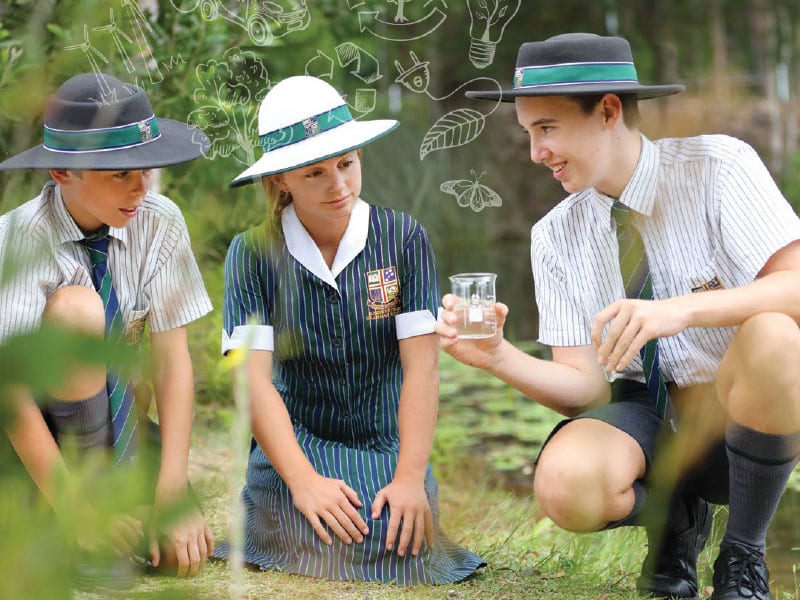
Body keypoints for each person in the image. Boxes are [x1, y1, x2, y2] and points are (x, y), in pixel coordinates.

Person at [437, 32, 800, 600]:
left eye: (547, 129)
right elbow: (584, 388)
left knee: (777, 335)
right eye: (529, 133)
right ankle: (677, 524)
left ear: (608, 110)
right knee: (565, 485)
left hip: (736, 415)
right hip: (645, 420)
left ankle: (743, 556)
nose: (536, 153)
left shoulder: (719, 168)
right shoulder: (554, 235)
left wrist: (681, 310)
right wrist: (498, 357)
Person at [212, 75, 484, 584]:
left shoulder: (403, 238)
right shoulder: (249, 253)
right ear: (280, 181)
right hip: (296, 445)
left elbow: (422, 365)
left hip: (387, 445)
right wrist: (302, 481)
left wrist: (408, 478)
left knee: (392, 523)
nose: (338, 184)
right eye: (315, 173)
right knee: (321, 519)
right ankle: (284, 505)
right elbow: (250, 379)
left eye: (346, 163)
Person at [0, 73, 215, 587]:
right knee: (79, 308)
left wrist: (170, 492)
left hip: (120, 431)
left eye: (145, 169)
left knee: (177, 551)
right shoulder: (20, 239)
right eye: (119, 174)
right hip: (34, 441)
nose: (140, 187)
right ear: (60, 171)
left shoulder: (159, 221)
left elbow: (171, 362)